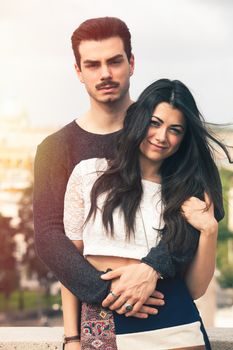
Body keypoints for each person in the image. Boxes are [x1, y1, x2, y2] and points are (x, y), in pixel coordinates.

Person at [62, 78, 231, 349]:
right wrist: (71, 338)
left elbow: (195, 289)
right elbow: (69, 263)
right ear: (139, 120)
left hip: (176, 323)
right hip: (104, 319)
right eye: (155, 123)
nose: (162, 137)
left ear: (184, 138)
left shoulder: (188, 195)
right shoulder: (89, 174)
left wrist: (209, 230)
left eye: (175, 129)